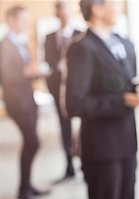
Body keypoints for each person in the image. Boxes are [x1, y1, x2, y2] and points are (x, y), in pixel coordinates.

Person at [65, 0, 139, 199]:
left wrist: (138, 90)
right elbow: (74, 103)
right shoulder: (81, 48)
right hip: (101, 148)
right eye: (114, 2)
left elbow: (126, 82)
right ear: (97, 8)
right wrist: (121, 101)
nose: (119, 6)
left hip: (127, 142)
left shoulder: (125, 43)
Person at [0, 6, 50, 199]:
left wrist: (35, 73)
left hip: (28, 99)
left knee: (32, 142)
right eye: (21, 20)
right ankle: (24, 190)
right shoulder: (5, 46)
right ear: (11, 20)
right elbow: (7, 77)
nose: (25, 23)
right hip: (18, 103)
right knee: (32, 142)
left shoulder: (19, 44)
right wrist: (29, 73)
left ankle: (27, 186)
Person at [44, 0, 80, 183]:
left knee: (82, 128)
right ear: (56, 15)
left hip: (79, 91)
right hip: (59, 91)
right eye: (59, 12)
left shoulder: (80, 34)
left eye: (65, 11)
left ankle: (84, 161)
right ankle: (69, 166)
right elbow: (49, 66)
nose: (63, 15)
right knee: (64, 128)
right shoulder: (49, 37)